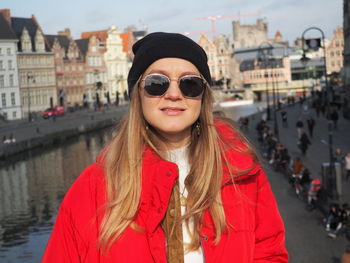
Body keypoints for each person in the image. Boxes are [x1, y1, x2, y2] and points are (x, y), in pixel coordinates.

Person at [42, 32, 288, 262]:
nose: (173, 94)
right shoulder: (92, 188)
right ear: (138, 93)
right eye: (156, 83)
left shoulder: (242, 173)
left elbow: (269, 252)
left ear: (203, 97)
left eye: (189, 84)